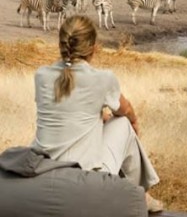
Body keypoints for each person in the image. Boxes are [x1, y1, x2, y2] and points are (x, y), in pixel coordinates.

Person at [30, 15, 163, 212]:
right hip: (84, 179)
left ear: (61, 45)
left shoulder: (41, 75)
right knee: (123, 125)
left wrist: (98, 118)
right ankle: (139, 194)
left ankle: (140, 193)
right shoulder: (103, 79)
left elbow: (70, 112)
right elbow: (126, 110)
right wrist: (134, 122)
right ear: (93, 48)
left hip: (43, 171)